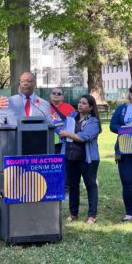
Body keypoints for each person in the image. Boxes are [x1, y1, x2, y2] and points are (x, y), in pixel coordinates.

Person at [59, 94, 101, 224]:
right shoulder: (72, 116)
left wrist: (67, 134)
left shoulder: (94, 121)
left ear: (90, 107)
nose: (80, 105)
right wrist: (63, 133)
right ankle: (73, 213)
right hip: (70, 156)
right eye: (79, 102)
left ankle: (92, 215)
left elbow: (85, 136)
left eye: (84, 103)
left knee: (91, 185)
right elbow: (62, 131)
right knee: (72, 186)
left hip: (87, 159)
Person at [110, 85, 132, 222]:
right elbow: (112, 125)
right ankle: (129, 212)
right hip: (124, 150)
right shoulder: (122, 109)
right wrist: (123, 129)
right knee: (127, 182)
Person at [50, 87, 75, 154]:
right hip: (50, 140)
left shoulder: (69, 108)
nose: (56, 95)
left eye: (59, 93)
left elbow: (74, 123)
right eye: (54, 93)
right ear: (50, 95)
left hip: (65, 140)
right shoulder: (45, 107)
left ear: (62, 97)